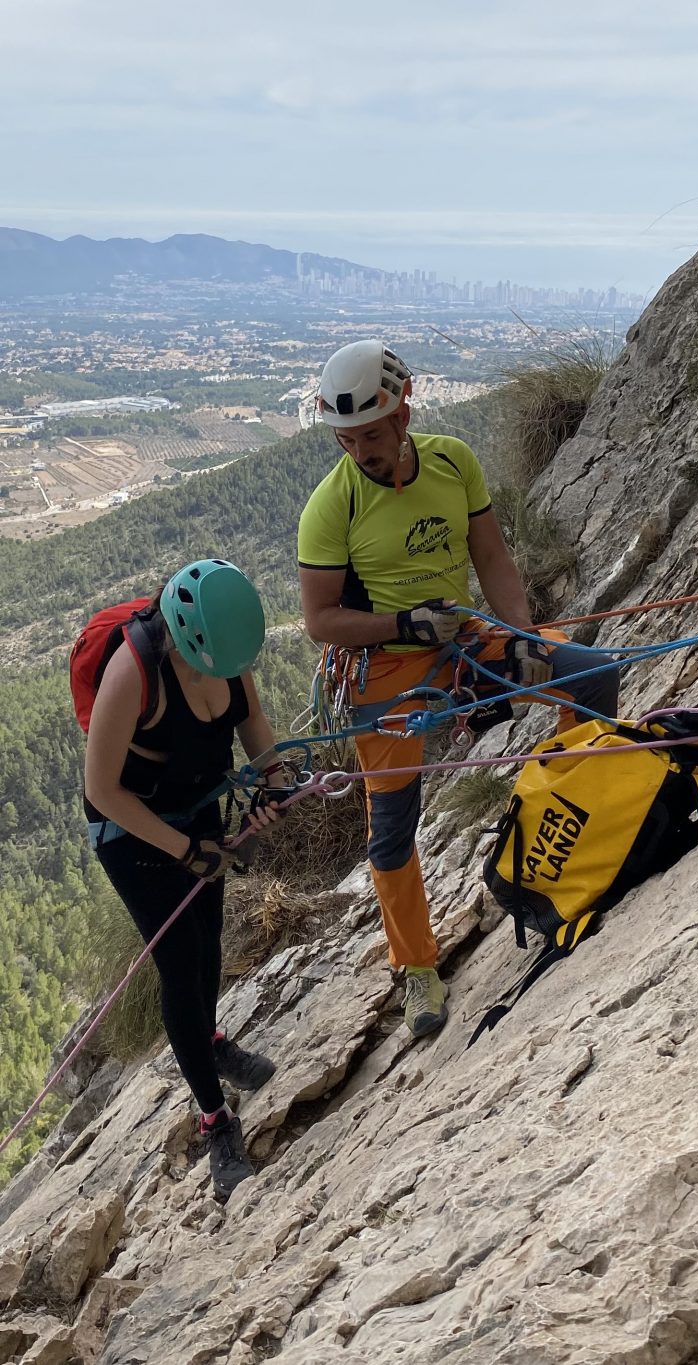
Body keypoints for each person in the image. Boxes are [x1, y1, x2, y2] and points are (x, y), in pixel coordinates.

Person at [298, 340, 620, 1039]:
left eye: (372, 437)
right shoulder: (333, 506)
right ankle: (416, 967)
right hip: (385, 669)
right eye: (346, 440)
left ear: (404, 412)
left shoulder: (452, 463)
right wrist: (403, 623)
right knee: (390, 827)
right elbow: (321, 619)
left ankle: (583, 829)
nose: (360, 452)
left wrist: (527, 635)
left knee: (591, 673)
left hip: (464, 638)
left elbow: (493, 558)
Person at [84, 558, 291, 1202]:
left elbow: (251, 723)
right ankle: (214, 1123)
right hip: (134, 831)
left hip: (199, 808)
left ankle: (209, 1039)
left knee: (208, 939)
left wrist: (274, 782)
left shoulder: (224, 647)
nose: (228, 675)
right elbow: (102, 790)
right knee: (180, 961)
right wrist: (182, 849)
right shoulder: (132, 674)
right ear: (183, 637)